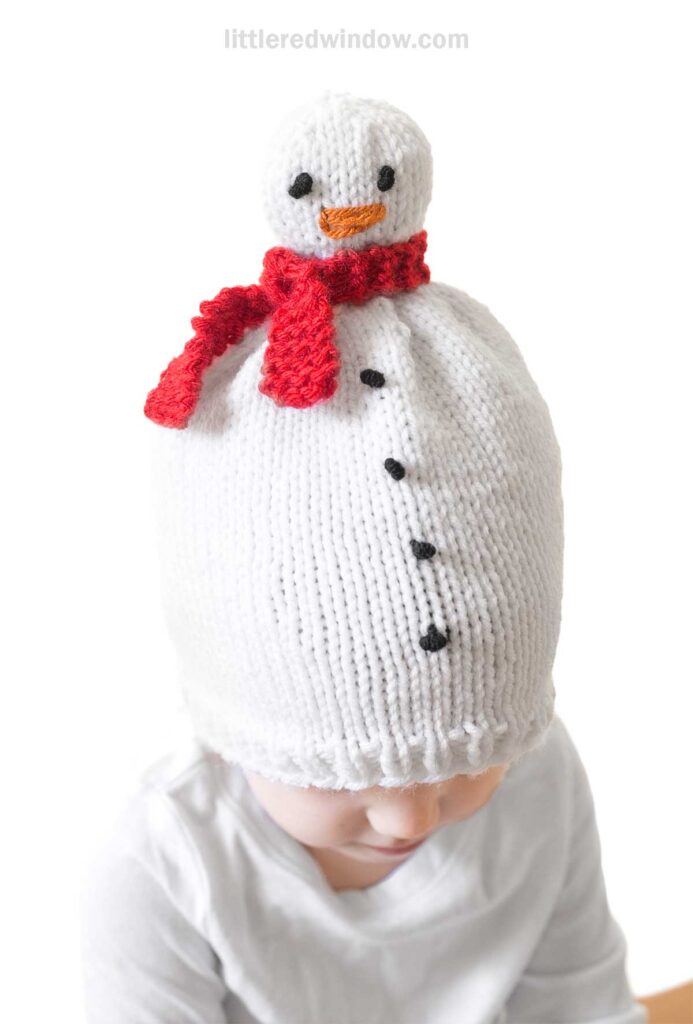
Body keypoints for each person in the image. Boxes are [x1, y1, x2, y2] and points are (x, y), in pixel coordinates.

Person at [79, 91, 647, 1024]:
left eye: (463, 760)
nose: (409, 819)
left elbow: (580, 1004)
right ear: (235, 719)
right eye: (340, 773)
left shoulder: (538, 780)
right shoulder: (167, 859)